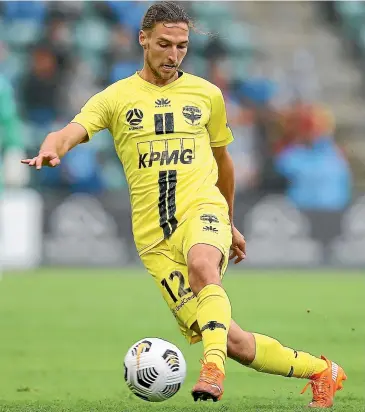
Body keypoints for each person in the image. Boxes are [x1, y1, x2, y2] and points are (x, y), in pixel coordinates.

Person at [21, 2, 346, 407]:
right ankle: (321, 371)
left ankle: (212, 369)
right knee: (234, 341)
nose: (173, 55)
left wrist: (228, 220)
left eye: (182, 46)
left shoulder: (207, 94)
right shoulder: (116, 97)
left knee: (203, 266)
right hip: (154, 239)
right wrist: (52, 149)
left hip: (201, 208)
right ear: (143, 39)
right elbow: (67, 131)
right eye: (164, 44)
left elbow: (223, 161)